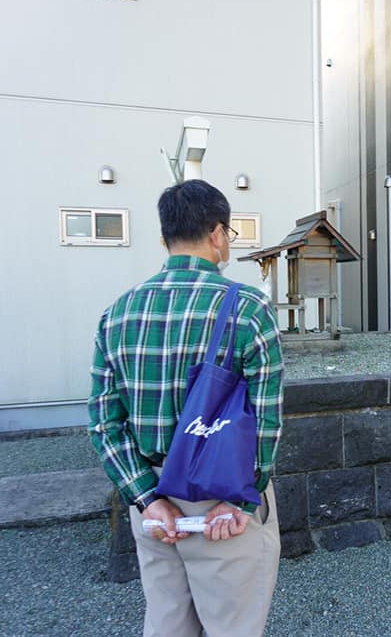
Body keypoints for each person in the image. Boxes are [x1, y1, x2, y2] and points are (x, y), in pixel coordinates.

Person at [88, 179, 284, 636]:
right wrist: (240, 500)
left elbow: (104, 423)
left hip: (155, 506)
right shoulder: (248, 309)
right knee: (233, 625)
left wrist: (146, 499)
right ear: (218, 234)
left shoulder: (117, 313)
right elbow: (267, 423)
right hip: (222, 499)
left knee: (167, 622)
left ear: (164, 238)